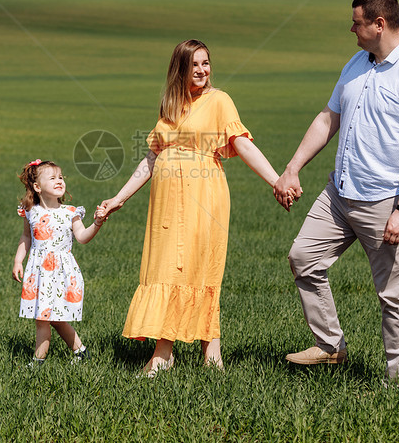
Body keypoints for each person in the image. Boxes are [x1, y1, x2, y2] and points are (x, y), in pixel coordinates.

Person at [274, 0, 399, 383]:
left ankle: (397, 383)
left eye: (357, 23)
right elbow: (327, 119)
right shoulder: (356, 63)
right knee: (303, 258)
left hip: (385, 202)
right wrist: (293, 167)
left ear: (379, 24)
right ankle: (331, 347)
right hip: (339, 195)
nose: (351, 29)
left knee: (392, 295)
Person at [99, 39, 279, 377]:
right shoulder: (170, 107)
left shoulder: (219, 101)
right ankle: (205, 357)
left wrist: (276, 180)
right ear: (180, 69)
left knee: (197, 270)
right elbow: (151, 158)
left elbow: (242, 144)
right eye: (194, 64)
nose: (201, 70)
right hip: (165, 206)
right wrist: (118, 198)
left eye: (206, 63)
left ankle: (173, 354)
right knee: (165, 269)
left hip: (203, 199)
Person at [13, 159, 105, 366]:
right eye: (52, 178)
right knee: (46, 318)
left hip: (61, 272)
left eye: (61, 177)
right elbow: (26, 237)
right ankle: (80, 352)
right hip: (38, 271)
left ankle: (38, 361)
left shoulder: (70, 212)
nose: (59, 181)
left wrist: (97, 223)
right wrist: (19, 260)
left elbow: (82, 237)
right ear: (37, 187)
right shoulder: (31, 211)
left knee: (50, 318)